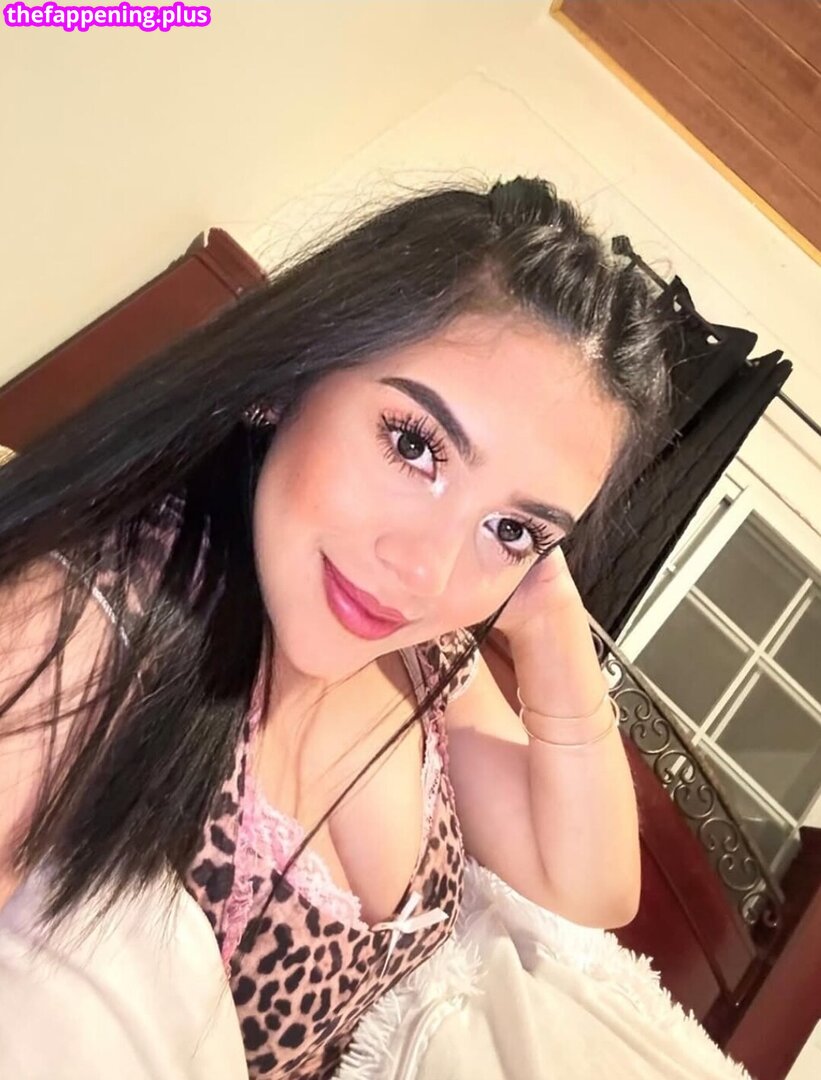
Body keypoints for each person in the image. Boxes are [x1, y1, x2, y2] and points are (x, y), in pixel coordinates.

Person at [0, 176, 673, 1078]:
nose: (425, 573)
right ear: (291, 376)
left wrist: (549, 615)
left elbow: (589, 885)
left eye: (511, 527)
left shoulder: (426, 660)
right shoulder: (81, 633)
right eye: (413, 445)